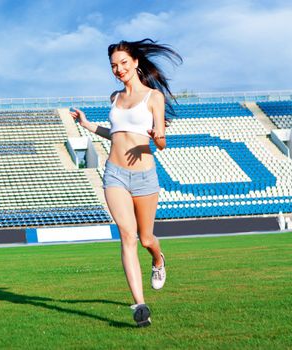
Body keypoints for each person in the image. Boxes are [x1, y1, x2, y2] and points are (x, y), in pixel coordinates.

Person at [70, 38, 182, 327]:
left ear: (135, 63)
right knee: (127, 236)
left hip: (145, 176)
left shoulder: (153, 97)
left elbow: (161, 142)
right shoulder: (114, 98)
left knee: (145, 239)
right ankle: (140, 306)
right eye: (113, 66)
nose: (118, 69)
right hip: (115, 173)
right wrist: (87, 125)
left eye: (123, 63)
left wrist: (157, 136)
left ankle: (158, 260)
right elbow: (115, 133)